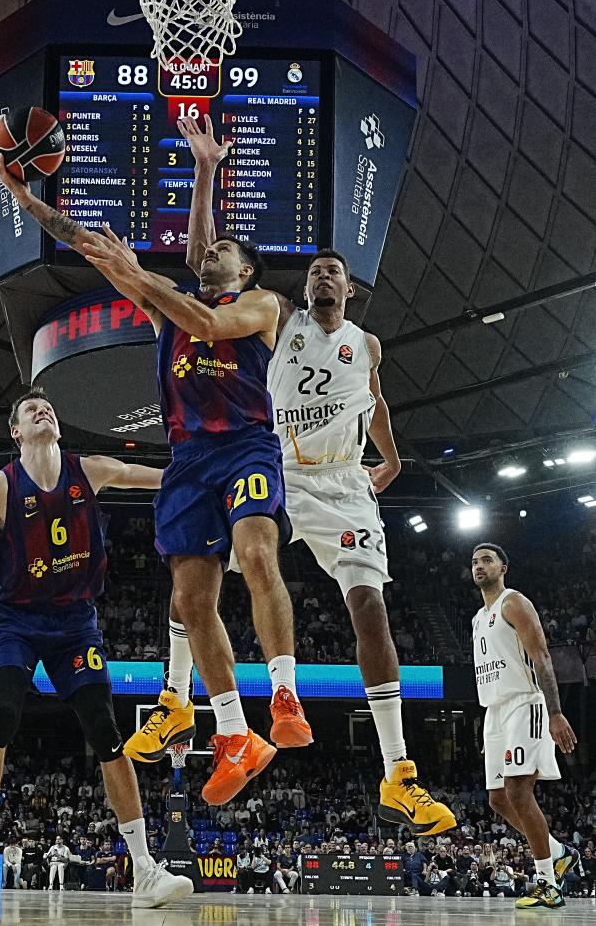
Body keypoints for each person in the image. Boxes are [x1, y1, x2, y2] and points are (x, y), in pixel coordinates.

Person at [147, 115, 455, 835]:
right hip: (272, 462)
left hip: (343, 480)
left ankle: (397, 775)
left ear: (347, 291)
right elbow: (204, 263)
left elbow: (371, 401)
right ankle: (173, 698)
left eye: (332, 272)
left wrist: (392, 455)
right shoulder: (273, 316)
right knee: (198, 572)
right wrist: (205, 170)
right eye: (313, 269)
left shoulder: (366, 344)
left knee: (368, 610)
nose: (321, 276)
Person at [0, 149, 311, 805]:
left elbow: (207, 321)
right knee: (191, 602)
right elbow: (84, 244)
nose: (207, 253)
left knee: (254, 550)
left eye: (220, 250)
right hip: (187, 459)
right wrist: (25, 200)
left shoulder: (262, 305)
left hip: (246, 446)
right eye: (207, 248)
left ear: (242, 268)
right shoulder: (169, 306)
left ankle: (283, 692)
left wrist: (137, 274)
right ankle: (232, 735)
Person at [0, 389, 193, 909]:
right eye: (31, 411)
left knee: (105, 730)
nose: (43, 411)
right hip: (18, 622)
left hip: (76, 623)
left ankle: (144, 869)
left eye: (48, 407)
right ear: (16, 432)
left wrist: (207, 473)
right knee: (1, 715)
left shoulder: (90, 469)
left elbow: (159, 477)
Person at [471, 543, 579, 909]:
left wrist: (555, 712)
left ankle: (548, 883)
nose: (479, 566)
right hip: (496, 711)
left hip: (525, 702)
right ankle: (559, 852)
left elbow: (541, 656)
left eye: (487, 560)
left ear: (504, 567)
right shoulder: (475, 619)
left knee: (518, 791)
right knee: (498, 798)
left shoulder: (514, 603)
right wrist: (491, 728)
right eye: (474, 561)